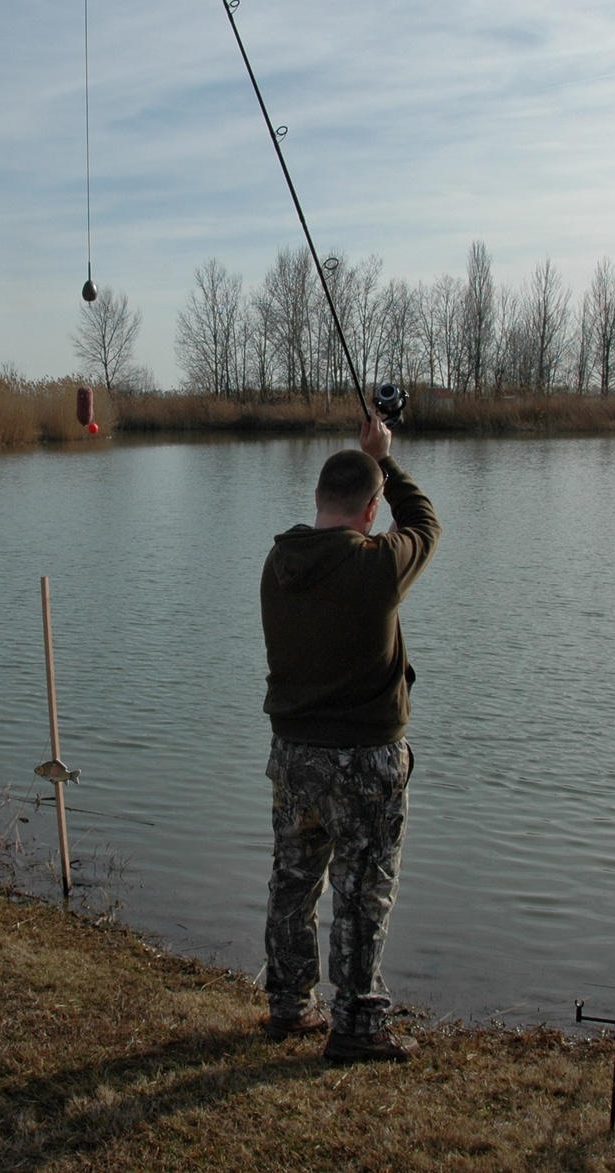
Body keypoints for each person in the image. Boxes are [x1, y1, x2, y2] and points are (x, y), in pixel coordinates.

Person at [259, 414, 441, 1064]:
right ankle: (357, 1026)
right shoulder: (377, 566)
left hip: (292, 755)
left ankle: (288, 1003)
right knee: (363, 890)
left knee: (294, 881)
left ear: (317, 499)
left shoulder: (280, 561)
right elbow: (424, 525)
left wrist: (371, 470)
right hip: (365, 762)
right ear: (369, 510)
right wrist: (387, 461)